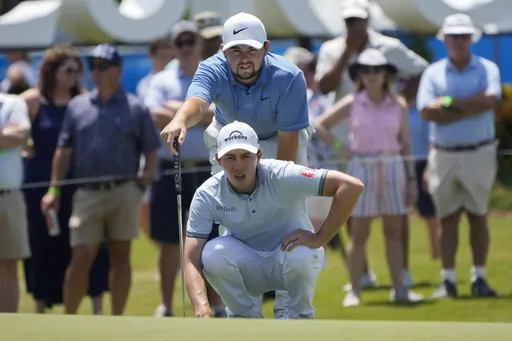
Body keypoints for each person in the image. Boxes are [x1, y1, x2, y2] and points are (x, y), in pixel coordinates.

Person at [160, 13, 313, 318]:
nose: (244, 59)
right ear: (222, 50)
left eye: (251, 51)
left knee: (289, 218)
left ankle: (289, 309)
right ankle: (243, 312)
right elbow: (198, 102)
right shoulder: (212, 67)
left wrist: (272, 194)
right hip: (230, 142)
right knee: (233, 224)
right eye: (235, 51)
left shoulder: (289, 76)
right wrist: (179, 119)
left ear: (266, 48)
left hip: (277, 139)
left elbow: (287, 149)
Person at [184, 121, 364, 318]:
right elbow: (191, 258)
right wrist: (201, 307)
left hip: (290, 258)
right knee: (212, 254)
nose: (238, 166)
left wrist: (319, 238)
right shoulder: (207, 194)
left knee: (302, 254)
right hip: (247, 265)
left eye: (245, 156)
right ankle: (244, 318)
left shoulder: (283, 173)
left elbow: (351, 186)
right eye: (230, 157)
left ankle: (297, 317)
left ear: (259, 155)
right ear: (218, 159)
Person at [314, 0, 429, 289]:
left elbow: (420, 70)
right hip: (349, 144)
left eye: (358, 21)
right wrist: (347, 54)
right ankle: (361, 276)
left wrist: (401, 103)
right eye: (349, 21)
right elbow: (324, 87)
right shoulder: (331, 49)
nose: (354, 26)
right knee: (352, 215)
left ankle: (401, 273)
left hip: (386, 143)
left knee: (396, 217)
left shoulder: (388, 47)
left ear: (367, 21)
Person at [41, 44, 161, 315]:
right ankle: (69, 320)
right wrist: (54, 190)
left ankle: (116, 319)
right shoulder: (77, 105)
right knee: (81, 255)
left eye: (103, 66)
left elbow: (151, 151)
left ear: (118, 70)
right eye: (93, 65)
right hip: (87, 192)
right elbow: (64, 151)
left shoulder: (136, 107)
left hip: (124, 191)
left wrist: (141, 185)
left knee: (121, 255)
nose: (96, 71)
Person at [20, 46, 109, 314]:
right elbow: (12, 124)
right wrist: (24, 144)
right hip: (39, 186)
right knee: (41, 247)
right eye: (68, 70)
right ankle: (40, 308)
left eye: (76, 71)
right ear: (51, 72)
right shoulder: (32, 102)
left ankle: (97, 308)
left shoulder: (84, 100)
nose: (74, 76)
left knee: (89, 245)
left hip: (79, 186)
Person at [417, 13, 501, 298]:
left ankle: (479, 278)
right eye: (454, 36)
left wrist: (449, 104)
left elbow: (490, 101)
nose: (459, 41)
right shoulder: (433, 72)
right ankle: (448, 280)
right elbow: (427, 112)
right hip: (444, 155)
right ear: (445, 39)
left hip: (479, 150)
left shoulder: (486, 68)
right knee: (447, 219)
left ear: (471, 39)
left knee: (478, 216)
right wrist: (471, 106)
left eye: (464, 36)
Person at [144, 20, 224, 318]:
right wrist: (195, 112)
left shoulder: (213, 75)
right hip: (171, 167)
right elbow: (154, 112)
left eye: (192, 41)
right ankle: (167, 305)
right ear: (175, 47)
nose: (187, 47)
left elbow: (221, 114)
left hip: (209, 168)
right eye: (181, 42)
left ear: (200, 44)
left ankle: (216, 303)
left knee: (213, 238)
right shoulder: (162, 79)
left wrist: (180, 112)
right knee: (168, 240)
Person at [283, 47, 340, 256]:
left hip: (326, 170)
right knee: (313, 226)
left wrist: (338, 147)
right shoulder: (295, 98)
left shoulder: (324, 99)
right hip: (307, 172)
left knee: (325, 225)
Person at [136, 36, 174, 239]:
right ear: (152, 56)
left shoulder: (180, 78)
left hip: (170, 156)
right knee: (146, 208)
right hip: (153, 153)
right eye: (163, 55)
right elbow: (153, 117)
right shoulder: (146, 84)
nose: (167, 59)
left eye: (171, 54)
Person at [0, 93, 31, 313]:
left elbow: (21, 134)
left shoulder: (12, 103)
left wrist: (11, 137)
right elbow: (9, 138)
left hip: (8, 196)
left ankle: (8, 328)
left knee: (9, 264)